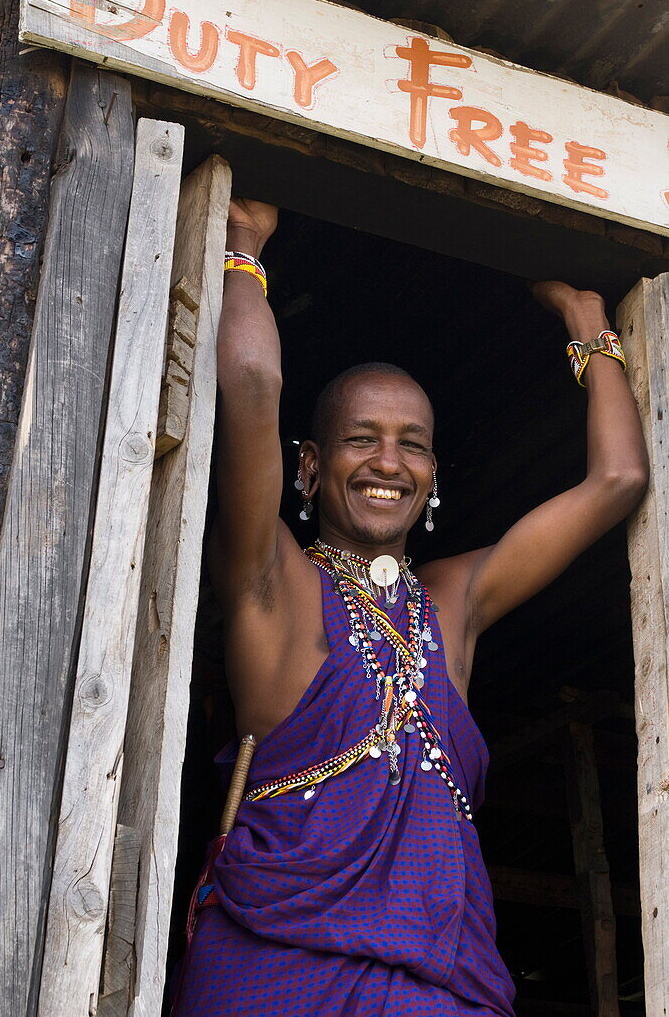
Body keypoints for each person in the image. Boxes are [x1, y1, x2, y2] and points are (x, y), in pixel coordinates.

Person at [174, 198, 648, 1016]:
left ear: (432, 473)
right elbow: (252, 380)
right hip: (272, 968)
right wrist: (243, 240)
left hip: (443, 977)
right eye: (361, 439)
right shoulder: (272, 580)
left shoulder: (453, 599)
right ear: (311, 468)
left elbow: (617, 483)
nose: (387, 461)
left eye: (413, 442)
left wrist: (586, 324)